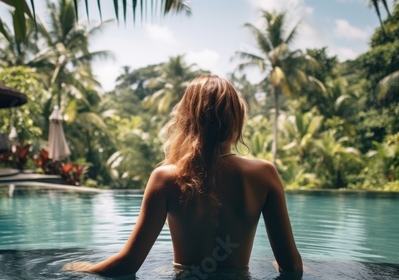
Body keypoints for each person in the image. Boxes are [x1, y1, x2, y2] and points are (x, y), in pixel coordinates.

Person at [63, 74, 303, 278]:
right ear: (237, 119)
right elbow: (292, 268)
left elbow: (127, 265)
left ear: (188, 120)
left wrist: (83, 269)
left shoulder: (165, 178)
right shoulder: (264, 174)